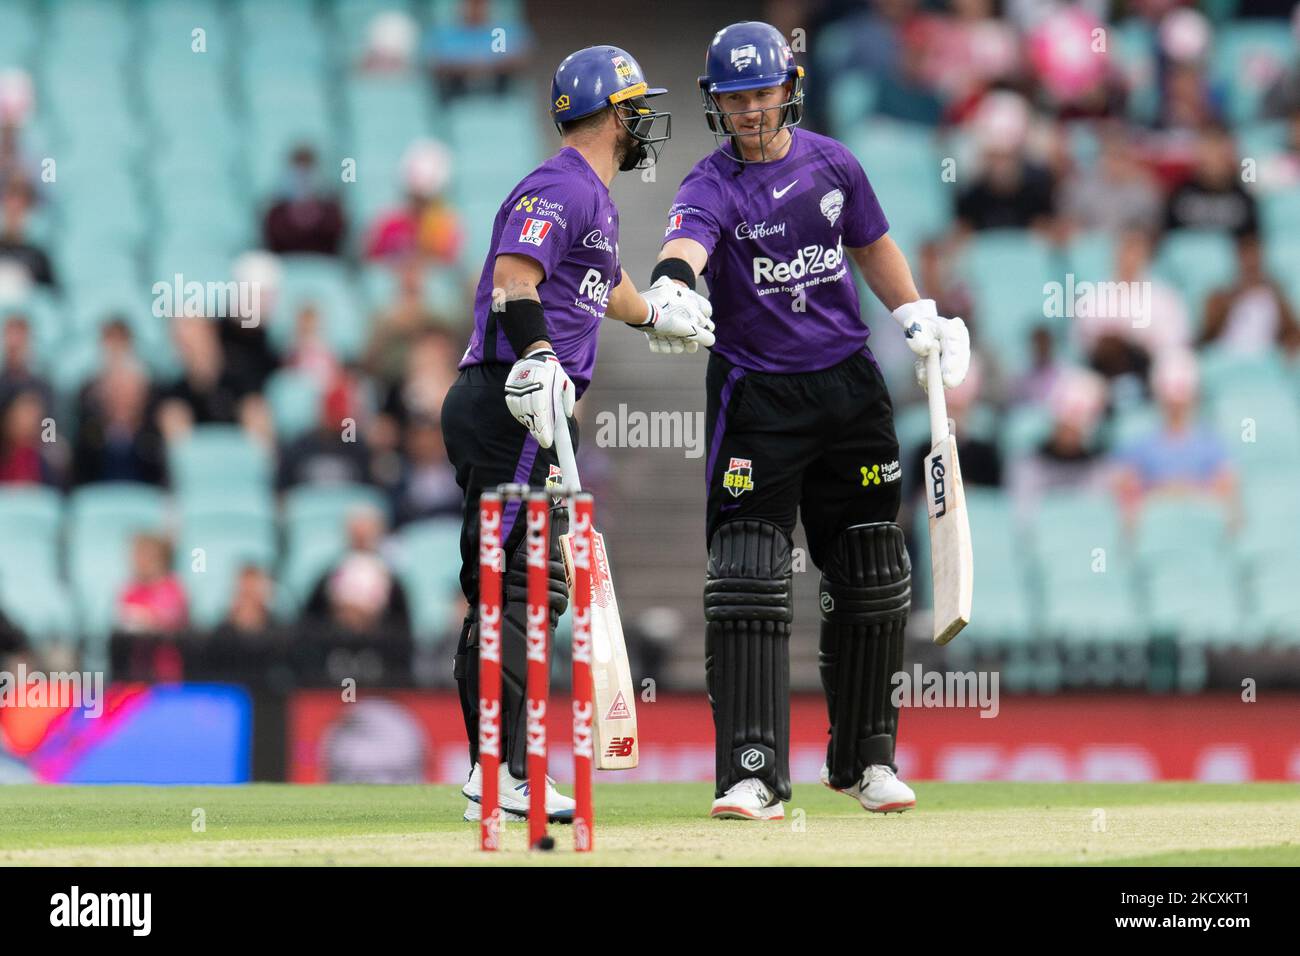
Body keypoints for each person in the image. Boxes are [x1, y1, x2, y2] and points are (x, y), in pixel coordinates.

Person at [655, 21, 968, 820]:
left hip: (849, 391)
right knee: (751, 578)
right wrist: (672, 291)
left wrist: (916, 314)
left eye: (762, 93)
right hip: (756, 399)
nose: (752, 111)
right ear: (716, 103)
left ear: (788, 88)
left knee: (872, 571)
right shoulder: (707, 184)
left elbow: (872, 246)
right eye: (737, 98)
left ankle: (865, 761)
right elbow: (682, 250)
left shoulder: (835, 162)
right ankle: (751, 774)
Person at [440, 45, 713, 826]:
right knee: (518, 589)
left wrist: (658, 310)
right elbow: (513, 279)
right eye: (635, 107)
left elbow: (605, 284)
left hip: (526, 401)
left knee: (520, 589)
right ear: (614, 111)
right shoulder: (559, 184)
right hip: (511, 399)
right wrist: (537, 358)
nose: (643, 123)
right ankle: (504, 778)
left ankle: (495, 772)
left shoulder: (592, 197)